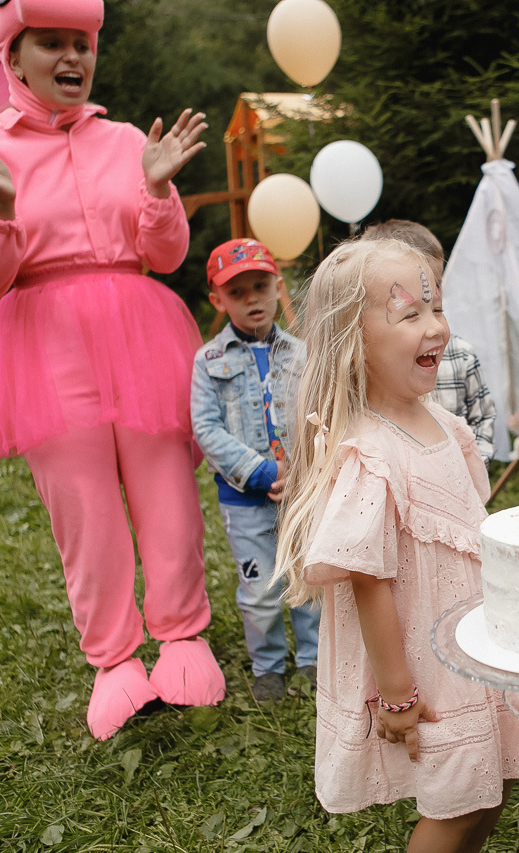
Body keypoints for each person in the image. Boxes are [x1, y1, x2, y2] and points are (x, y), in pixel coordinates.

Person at [0, 0, 223, 741]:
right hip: (44, 343)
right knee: (85, 508)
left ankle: (185, 639)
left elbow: (164, 255)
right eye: (54, 44)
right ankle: (115, 661)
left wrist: (159, 191)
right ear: (14, 53)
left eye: (83, 43)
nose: (73, 58)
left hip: (142, 332)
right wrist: (1, 207)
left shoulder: (128, 139)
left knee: (167, 491)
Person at [273, 238, 519, 850]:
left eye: (436, 307)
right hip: (425, 670)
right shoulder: (371, 453)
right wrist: (397, 692)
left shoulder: (447, 427)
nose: (436, 328)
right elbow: (369, 579)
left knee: (485, 794)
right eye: (409, 314)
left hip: (469, 648)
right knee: (455, 806)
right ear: (354, 342)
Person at [191, 238, 320, 702]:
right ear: (218, 300)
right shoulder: (208, 362)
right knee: (261, 589)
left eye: (260, 287)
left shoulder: (302, 355)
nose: (252, 300)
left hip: (301, 492)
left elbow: (318, 414)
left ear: (277, 287)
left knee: (308, 577)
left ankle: (314, 658)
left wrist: (304, 469)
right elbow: (206, 427)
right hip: (244, 499)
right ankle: (268, 665)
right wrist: (261, 472)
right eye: (238, 292)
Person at [362, 219, 498, 464]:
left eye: (435, 299)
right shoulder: (364, 373)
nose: (432, 324)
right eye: (412, 311)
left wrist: (470, 466)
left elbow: (484, 418)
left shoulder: (462, 356)